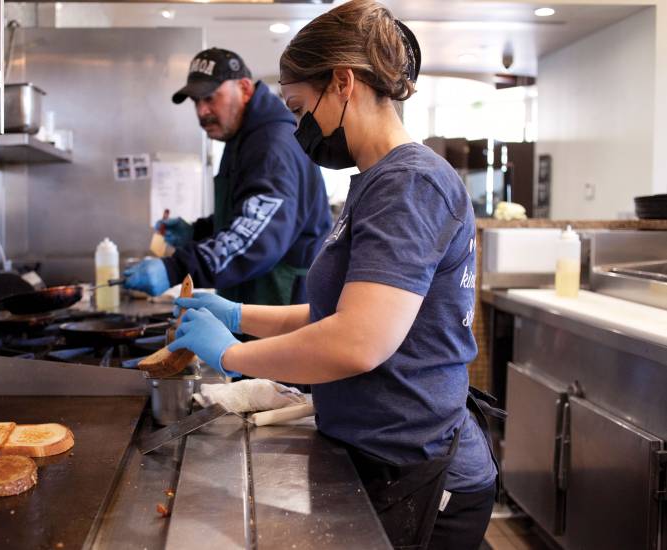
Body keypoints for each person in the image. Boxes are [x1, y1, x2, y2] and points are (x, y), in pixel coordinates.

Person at [165, 2, 498, 548]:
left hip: (418, 467)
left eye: (300, 108)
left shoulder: (410, 185)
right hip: (379, 450)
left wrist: (232, 354)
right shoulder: (375, 180)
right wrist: (238, 315)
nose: (300, 127)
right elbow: (342, 312)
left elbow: (357, 341)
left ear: (344, 82)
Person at [122, 48, 332, 306]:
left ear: (244, 88)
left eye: (210, 98)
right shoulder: (242, 139)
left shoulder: (271, 144)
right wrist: (196, 231)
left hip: (281, 303)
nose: (201, 111)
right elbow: (247, 214)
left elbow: (256, 238)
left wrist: (174, 269)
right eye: (196, 102)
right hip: (256, 298)